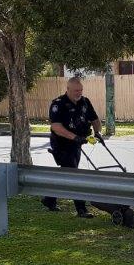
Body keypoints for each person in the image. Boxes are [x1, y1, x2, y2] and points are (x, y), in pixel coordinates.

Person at [42, 77, 102, 218]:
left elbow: (95, 119)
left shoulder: (85, 102)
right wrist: (75, 137)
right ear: (68, 89)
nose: (78, 93)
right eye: (76, 90)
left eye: (80, 90)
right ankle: (81, 209)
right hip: (61, 144)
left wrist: (97, 132)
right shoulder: (58, 104)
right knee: (74, 174)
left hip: (76, 144)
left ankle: (49, 199)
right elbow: (56, 127)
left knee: (66, 173)